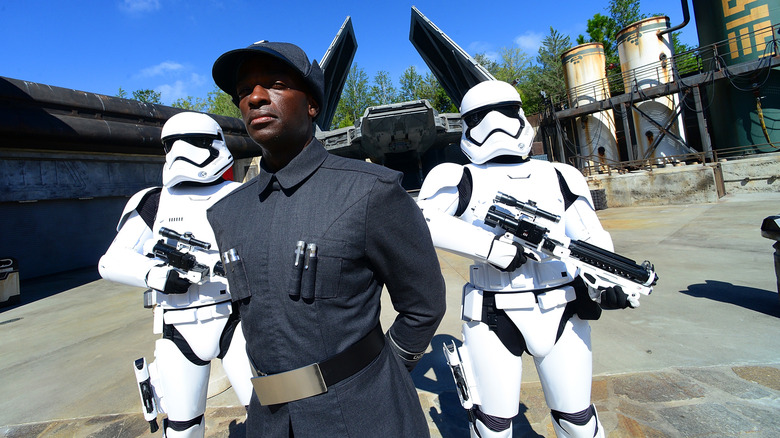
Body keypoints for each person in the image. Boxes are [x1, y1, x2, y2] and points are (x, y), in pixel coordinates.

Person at [207, 40, 447, 437]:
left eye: (276, 83)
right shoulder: (227, 214)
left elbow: (424, 304)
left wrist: (382, 374)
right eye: (244, 91)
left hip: (362, 413)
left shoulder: (371, 192)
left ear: (313, 105)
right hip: (268, 419)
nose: (255, 98)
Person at [417, 80, 642, 438]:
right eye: (481, 116)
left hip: (562, 308)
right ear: (467, 125)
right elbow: (420, 221)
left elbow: (589, 235)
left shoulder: (560, 175)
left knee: (578, 421)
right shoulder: (457, 176)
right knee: (493, 427)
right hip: (492, 311)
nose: (496, 124)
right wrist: (491, 249)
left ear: (521, 115)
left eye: (506, 112)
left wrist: (610, 278)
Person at [98, 111, 254, 438]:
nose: (183, 151)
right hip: (177, 325)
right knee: (182, 427)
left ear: (215, 145)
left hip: (234, 318)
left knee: (268, 414)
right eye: (172, 143)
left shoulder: (241, 195)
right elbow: (110, 262)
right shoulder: (152, 202)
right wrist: (158, 276)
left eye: (194, 142)